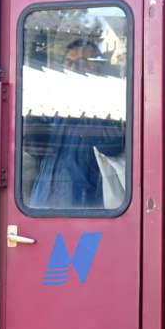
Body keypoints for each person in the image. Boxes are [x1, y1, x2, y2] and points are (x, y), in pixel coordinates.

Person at [27, 40, 126, 210]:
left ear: (99, 69)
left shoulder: (110, 103)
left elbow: (112, 146)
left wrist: (79, 107)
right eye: (69, 63)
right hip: (42, 202)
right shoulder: (55, 103)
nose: (73, 69)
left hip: (86, 206)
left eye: (82, 63)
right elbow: (35, 148)